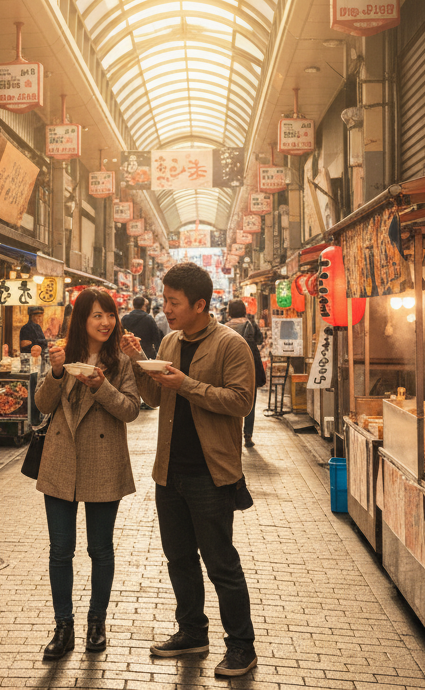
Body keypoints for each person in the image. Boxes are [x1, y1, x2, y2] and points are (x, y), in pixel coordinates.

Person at [122, 262, 258, 677]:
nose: (167, 309)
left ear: (201, 304)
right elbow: (154, 398)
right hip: (170, 472)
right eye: (165, 300)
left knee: (220, 563)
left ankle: (241, 646)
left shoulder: (231, 344)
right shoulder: (169, 343)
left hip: (210, 473)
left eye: (174, 302)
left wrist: (187, 385)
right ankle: (192, 632)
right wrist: (138, 360)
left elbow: (240, 402)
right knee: (179, 558)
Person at [35, 288, 141, 660]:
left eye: (110, 315)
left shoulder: (121, 360)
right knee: (61, 551)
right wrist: (57, 371)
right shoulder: (64, 355)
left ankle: (96, 623)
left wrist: (102, 387)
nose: (106, 322)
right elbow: (43, 405)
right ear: (80, 319)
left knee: (100, 549)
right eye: (97, 315)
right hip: (62, 459)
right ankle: (63, 627)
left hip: (103, 460)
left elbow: (131, 410)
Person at [225, 299, 265, 447]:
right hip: (250, 366)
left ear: (230, 311)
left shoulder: (225, 326)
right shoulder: (250, 324)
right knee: (250, 401)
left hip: (230, 367)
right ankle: (248, 435)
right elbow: (259, 340)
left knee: (229, 399)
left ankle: (231, 433)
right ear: (243, 310)